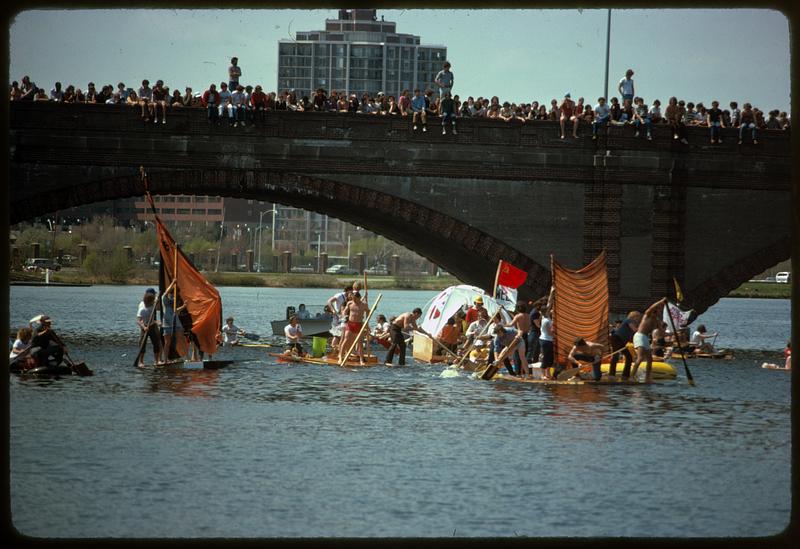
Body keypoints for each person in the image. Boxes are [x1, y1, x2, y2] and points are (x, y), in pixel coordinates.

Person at [630, 298, 667, 382]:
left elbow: (661, 333)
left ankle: (647, 378)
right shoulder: (647, 315)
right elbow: (651, 308)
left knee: (650, 359)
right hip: (639, 336)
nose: (659, 312)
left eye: (659, 311)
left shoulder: (657, 321)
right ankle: (631, 376)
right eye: (658, 310)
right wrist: (661, 301)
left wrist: (662, 328)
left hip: (645, 338)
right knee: (640, 357)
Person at [608, 310, 641, 378]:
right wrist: (643, 328)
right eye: (638, 317)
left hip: (622, 341)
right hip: (617, 338)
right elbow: (634, 329)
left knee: (629, 357)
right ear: (634, 316)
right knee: (615, 356)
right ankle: (611, 374)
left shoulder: (631, 322)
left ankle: (625, 375)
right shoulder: (629, 320)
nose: (638, 319)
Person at [136, 288, 162, 366]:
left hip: (152, 326)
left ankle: (156, 361)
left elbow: (159, 309)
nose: (154, 296)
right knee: (142, 344)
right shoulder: (142, 306)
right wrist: (144, 327)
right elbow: (138, 320)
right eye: (153, 294)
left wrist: (158, 300)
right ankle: (141, 362)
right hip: (144, 327)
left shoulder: (154, 303)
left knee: (156, 343)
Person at [161, 281, 186, 360]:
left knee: (180, 339)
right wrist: (173, 283)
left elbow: (176, 311)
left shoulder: (174, 300)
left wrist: (184, 306)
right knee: (167, 343)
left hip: (176, 322)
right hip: (167, 323)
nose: (176, 295)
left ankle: (184, 357)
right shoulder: (164, 299)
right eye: (175, 293)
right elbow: (166, 292)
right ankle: (165, 359)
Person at [326, 286, 352, 351]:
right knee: (337, 335)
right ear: (348, 290)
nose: (352, 293)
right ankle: (333, 349)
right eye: (351, 292)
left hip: (343, 318)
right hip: (337, 317)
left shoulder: (349, 298)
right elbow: (329, 301)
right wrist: (333, 310)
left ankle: (339, 349)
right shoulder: (339, 295)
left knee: (342, 335)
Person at [538, 287, 555, 379]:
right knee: (545, 357)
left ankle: (548, 374)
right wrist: (556, 335)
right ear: (547, 312)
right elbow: (549, 333)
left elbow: (549, 304)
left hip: (549, 340)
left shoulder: (546, 317)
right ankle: (542, 374)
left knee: (550, 358)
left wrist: (551, 292)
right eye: (549, 310)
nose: (551, 310)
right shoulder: (546, 321)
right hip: (545, 340)